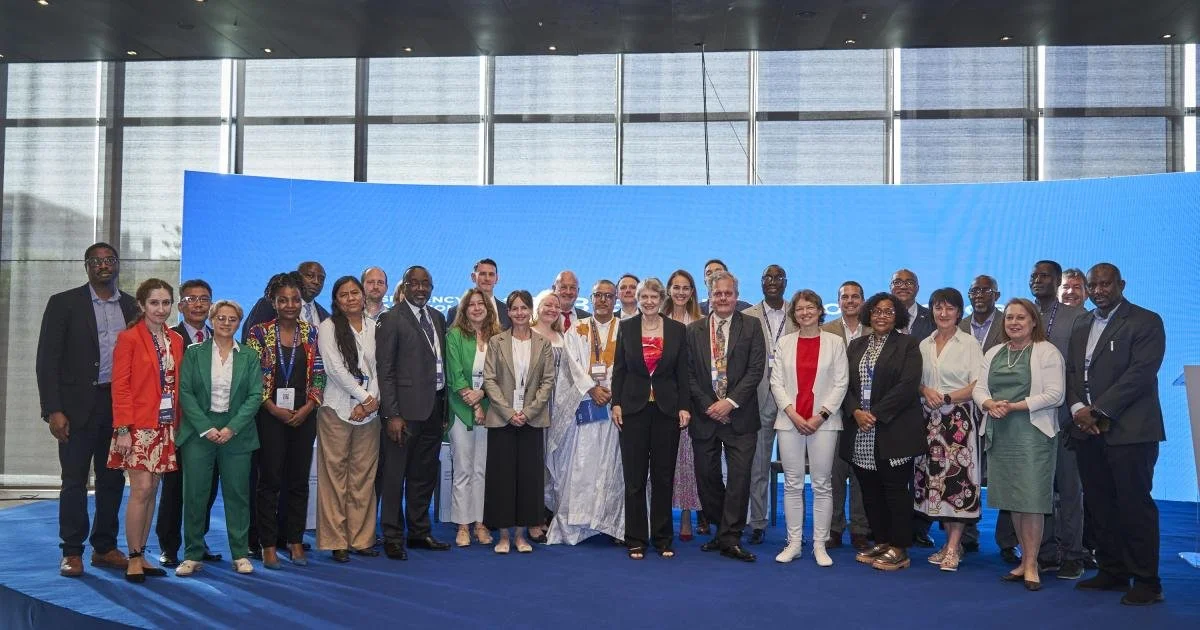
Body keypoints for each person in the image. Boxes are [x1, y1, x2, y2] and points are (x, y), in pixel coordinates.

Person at [1066, 263, 1166, 606]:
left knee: (1134, 505)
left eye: (1105, 284)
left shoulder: (1145, 321)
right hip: (1088, 431)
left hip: (1131, 431)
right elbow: (1073, 372)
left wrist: (1098, 410)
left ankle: (1148, 582)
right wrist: (1079, 408)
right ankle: (1112, 570)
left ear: (1120, 284)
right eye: (1092, 285)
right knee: (1099, 504)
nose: (1098, 290)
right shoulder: (1082, 322)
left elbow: (1140, 375)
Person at [36, 242, 137, 577]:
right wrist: (53, 410)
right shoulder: (64, 303)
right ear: (87, 266)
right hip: (76, 407)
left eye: (109, 260)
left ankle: (104, 547)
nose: (103, 265)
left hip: (117, 406)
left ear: (117, 264)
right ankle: (72, 551)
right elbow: (47, 361)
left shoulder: (132, 306)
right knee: (74, 480)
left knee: (112, 480)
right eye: (96, 261)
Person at [974, 297, 1065, 591]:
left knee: (1032, 501)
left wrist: (1014, 406)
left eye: (1020, 318)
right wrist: (988, 403)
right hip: (1000, 434)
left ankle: (1032, 564)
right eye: (1010, 318)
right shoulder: (995, 351)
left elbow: (1055, 395)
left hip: (1033, 434)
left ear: (1033, 321)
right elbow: (979, 387)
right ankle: (1023, 560)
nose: (1013, 323)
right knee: (1014, 500)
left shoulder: (1046, 352)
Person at [175, 299, 263, 577]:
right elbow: (185, 392)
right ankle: (192, 553)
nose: (226, 323)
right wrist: (205, 427)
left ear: (239, 323)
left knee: (238, 494)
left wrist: (232, 428)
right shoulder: (194, 352)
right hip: (199, 431)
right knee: (195, 494)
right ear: (212, 320)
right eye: (221, 318)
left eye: (232, 319)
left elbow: (254, 396)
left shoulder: (249, 356)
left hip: (237, 432)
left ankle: (239, 553)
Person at [107, 278, 186, 583]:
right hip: (137, 427)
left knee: (152, 490)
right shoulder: (128, 339)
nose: (161, 309)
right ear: (141, 305)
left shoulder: (176, 340)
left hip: (165, 426)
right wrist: (124, 429)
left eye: (166, 302)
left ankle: (141, 551)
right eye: (154, 303)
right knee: (140, 490)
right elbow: (120, 386)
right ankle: (134, 558)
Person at [245, 273, 325, 569]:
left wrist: (309, 406)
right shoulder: (258, 333)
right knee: (269, 481)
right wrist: (271, 407)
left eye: (295, 299)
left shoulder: (312, 333)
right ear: (273, 302)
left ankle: (294, 540)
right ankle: (267, 543)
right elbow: (252, 377)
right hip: (269, 415)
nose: (290, 305)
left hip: (304, 414)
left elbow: (319, 373)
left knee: (299, 480)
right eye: (283, 300)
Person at [685, 270, 766, 562]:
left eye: (728, 293)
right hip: (705, 416)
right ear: (709, 295)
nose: (723, 298)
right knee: (706, 476)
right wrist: (711, 405)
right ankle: (722, 530)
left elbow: (756, 370)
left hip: (740, 417)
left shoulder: (752, 326)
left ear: (736, 295)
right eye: (717, 293)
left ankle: (731, 537)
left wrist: (729, 402)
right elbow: (690, 374)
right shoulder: (693, 330)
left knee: (739, 479)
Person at [842, 292, 924, 572]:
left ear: (897, 316)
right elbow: (845, 385)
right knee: (870, 490)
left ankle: (900, 547)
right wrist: (856, 412)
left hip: (893, 429)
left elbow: (907, 386)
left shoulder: (908, 345)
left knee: (895, 491)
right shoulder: (856, 345)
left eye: (888, 312)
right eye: (877, 311)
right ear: (868, 314)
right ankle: (882, 540)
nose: (881, 316)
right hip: (861, 430)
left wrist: (874, 414)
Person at [611, 278, 691, 559]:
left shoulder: (677, 330)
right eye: (642, 296)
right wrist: (616, 403)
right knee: (634, 479)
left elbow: (683, 373)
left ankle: (663, 538)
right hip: (633, 411)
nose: (647, 301)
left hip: (667, 412)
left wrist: (684, 406)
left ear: (662, 298)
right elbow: (619, 370)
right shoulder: (626, 327)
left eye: (652, 296)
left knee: (663, 477)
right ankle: (635, 538)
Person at [769, 289, 848, 566]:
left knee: (822, 484)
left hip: (823, 425)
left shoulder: (835, 342)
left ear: (819, 310)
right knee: (792, 484)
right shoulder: (785, 343)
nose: (805, 313)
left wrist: (821, 416)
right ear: (794, 314)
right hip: (790, 422)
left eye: (810, 307)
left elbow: (841, 383)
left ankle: (819, 545)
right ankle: (793, 543)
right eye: (800, 309)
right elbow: (776, 382)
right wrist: (792, 413)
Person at [376, 266, 451, 559]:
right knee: (395, 476)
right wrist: (392, 414)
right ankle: (393, 536)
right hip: (403, 414)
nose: (421, 288)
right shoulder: (390, 318)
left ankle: (419, 532)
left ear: (432, 287)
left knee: (423, 475)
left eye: (426, 284)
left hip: (433, 408)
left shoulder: (437, 317)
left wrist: (443, 408)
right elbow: (386, 370)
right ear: (404, 286)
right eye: (414, 283)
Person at [547, 280, 626, 544]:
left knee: (612, 468)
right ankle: (577, 524)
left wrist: (612, 391)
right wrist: (593, 389)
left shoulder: (625, 329)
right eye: (598, 296)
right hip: (585, 410)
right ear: (591, 299)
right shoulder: (577, 330)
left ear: (615, 300)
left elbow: (629, 366)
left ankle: (611, 523)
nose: (603, 300)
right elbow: (571, 367)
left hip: (614, 411)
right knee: (582, 466)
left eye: (608, 296)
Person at [913, 288, 984, 572]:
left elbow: (978, 384)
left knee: (956, 484)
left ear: (959, 311)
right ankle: (947, 543)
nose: (943, 314)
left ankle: (955, 546)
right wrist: (924, 389)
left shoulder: (969, 344)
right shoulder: (924, 344)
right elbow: (915, 380)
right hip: (929, 422)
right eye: (938, 308)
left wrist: (946, 398)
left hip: (957, 423)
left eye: (950, 309)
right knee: (936, 485)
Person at [481, 290, 557, 554]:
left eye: (525, 308)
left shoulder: (543, 343)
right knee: (502, 478)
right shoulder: (496, 342)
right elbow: (489, 380)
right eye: (515, 308)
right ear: (509, 312)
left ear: (531, 311)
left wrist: (529, 412)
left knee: (529, 479)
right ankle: (503, 536)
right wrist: (507, 412)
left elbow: (548, 381)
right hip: (502, 420)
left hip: (531, 421)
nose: (520, 313)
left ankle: (522, 535)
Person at [315, 277, 381, 563]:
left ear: (363, 296)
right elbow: (334, 368)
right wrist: (362, 398)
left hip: (371, 413)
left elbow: (381, 367)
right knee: (334, 478)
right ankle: (336, 540)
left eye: (355, 292)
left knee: (363, 477)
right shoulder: (328, 328)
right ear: (336, 300)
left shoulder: (375, 326)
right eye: (344, 294)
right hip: (337, 409)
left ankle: (362, 538)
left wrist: (370, 401)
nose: (351, 298)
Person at [158, 279, 222, 568]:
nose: (198, 304)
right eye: (191, 299)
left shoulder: (219, 337)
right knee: (175, 489)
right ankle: (169, 546)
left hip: (212, 427)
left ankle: (198, 541)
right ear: (181, 305)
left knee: (206, 490)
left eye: (204, 299)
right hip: (180, 427)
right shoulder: (168, 338)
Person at [1029, 260, 1087, 578]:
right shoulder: (1023, 313)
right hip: (1031, 418)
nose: (1038, 280)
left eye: (1045, 276)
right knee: (1039, 489)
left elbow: (1080, 370)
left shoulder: (1077, 317)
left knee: (1068, 489)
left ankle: (1073, 554)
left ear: (1058, 281)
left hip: (1066, 416)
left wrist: (1078, 412)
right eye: (1034, 276)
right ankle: (1046, 551)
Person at [743, 264, 796, 546]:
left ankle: (796, 526)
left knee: (794, 467)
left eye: (778, 277)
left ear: (786, 282)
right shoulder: (748, 315)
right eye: (767, 277)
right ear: (761, 282)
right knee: (758, 465)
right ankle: (758, 522)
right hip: (759, 396)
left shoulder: (799, 313)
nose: (773, 281)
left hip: (793, 401)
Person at [446, 288, 502, 547]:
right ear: (464, 309)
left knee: (482, 471)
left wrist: (483, 399)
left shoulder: (498, 337)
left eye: (482, 304)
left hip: (491, 409)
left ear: (489, 308)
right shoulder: (455, 335)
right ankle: (463, 526)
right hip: (461, 409)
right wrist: (474, 403)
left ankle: (480, 523)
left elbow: (501, 375)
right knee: (463, 471)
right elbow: (455, 373)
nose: (477, 308)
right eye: (472, 304)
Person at [821, 280, 870, 550]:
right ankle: (834, 528)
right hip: (833, 414)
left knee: (861, 474)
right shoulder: (825, 331)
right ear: (838, 301)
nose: (850, 301)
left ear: (863, 300)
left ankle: (861, 528)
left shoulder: (875, 331)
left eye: (855, 296)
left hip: (864, 415)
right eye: (844, 297)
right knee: (834, 474)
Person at [891, 268, 936, 549]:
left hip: (924, 404)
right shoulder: (879, 314)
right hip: (886, 407)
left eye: (908, 282)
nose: (903, 286)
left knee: (923, 470)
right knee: (891, 470)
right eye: (897, 282)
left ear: (918, 287)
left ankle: (919, 527)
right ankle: (889, 525)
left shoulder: (930, 319)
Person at [661, 269, 706, 542]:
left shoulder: (701, 321)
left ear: (692, 292)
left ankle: (688, 516)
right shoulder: (656, 320)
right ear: (669, 289)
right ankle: (662, 515)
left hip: (690, 399)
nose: (680, 292)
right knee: (663, 460)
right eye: (675, 287)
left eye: (685, 288)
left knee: (688, 460)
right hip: (662, 398)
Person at [242, 263, 329, 338]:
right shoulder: (269, 304)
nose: (316, 282)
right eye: (310, 275)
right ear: (297, 277)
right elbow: (250, 340)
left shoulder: (326, 317)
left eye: (321, 279)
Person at [447, 258, 512, 329]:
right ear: (473, 277)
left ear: (496, 278)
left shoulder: (508, 311)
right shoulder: (454, 312)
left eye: (491, 274)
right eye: (482, 274)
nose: (487, 278)